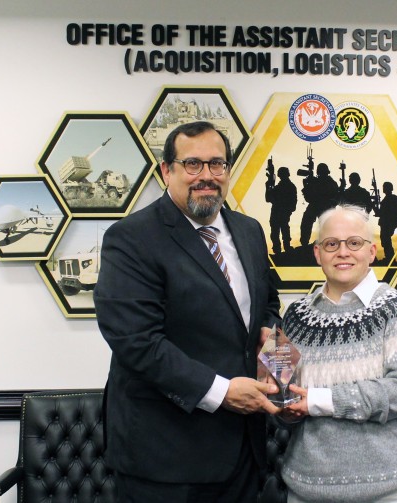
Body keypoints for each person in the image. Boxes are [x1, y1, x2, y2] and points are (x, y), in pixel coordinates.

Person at [93, 121, 281, 503]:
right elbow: (137, 341)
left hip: (244, 449)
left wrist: (268, 329)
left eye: (217, 164)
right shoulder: (131, 239)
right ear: (167, 170)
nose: (207, 177)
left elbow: (269, 300)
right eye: (193, 164)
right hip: (165, 459)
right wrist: (222, 391)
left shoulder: (248, 231)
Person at [279, 204, 397, 503]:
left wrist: (318, 400)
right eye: (331, 244)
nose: (343, 252)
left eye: (354, 243)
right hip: (310, 488)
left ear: (372, 251)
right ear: (318, 254)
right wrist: (282, 406)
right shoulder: (293, 316)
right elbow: (279, 394)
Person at [299, 162, 339, 246]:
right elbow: (308, 197)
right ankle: (305, 243)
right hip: (315, 204)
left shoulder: (330, 183)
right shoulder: (316, 181)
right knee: (306, 222)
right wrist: (306, 185)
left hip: (325, 206)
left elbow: (335, 197)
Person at [265, 166, 297, 254]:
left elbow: (269, 198)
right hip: (279, 211)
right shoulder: (288, 186)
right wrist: (270, 182)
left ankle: (282, 248)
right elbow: (269, 198)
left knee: (281, 230)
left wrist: (270, 183)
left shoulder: (287, 187)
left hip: (280, 211)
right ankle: (281, 249)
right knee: (279, 230)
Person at [377, 181, 397, 262]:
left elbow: (382, 213)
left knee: (386, 241)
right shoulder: (394, 199)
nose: (383, 188)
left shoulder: (388, 200)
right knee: (386, 241)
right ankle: (389, 258)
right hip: (389, 223)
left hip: (387, 223)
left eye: (385, 187)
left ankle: (390, 259)